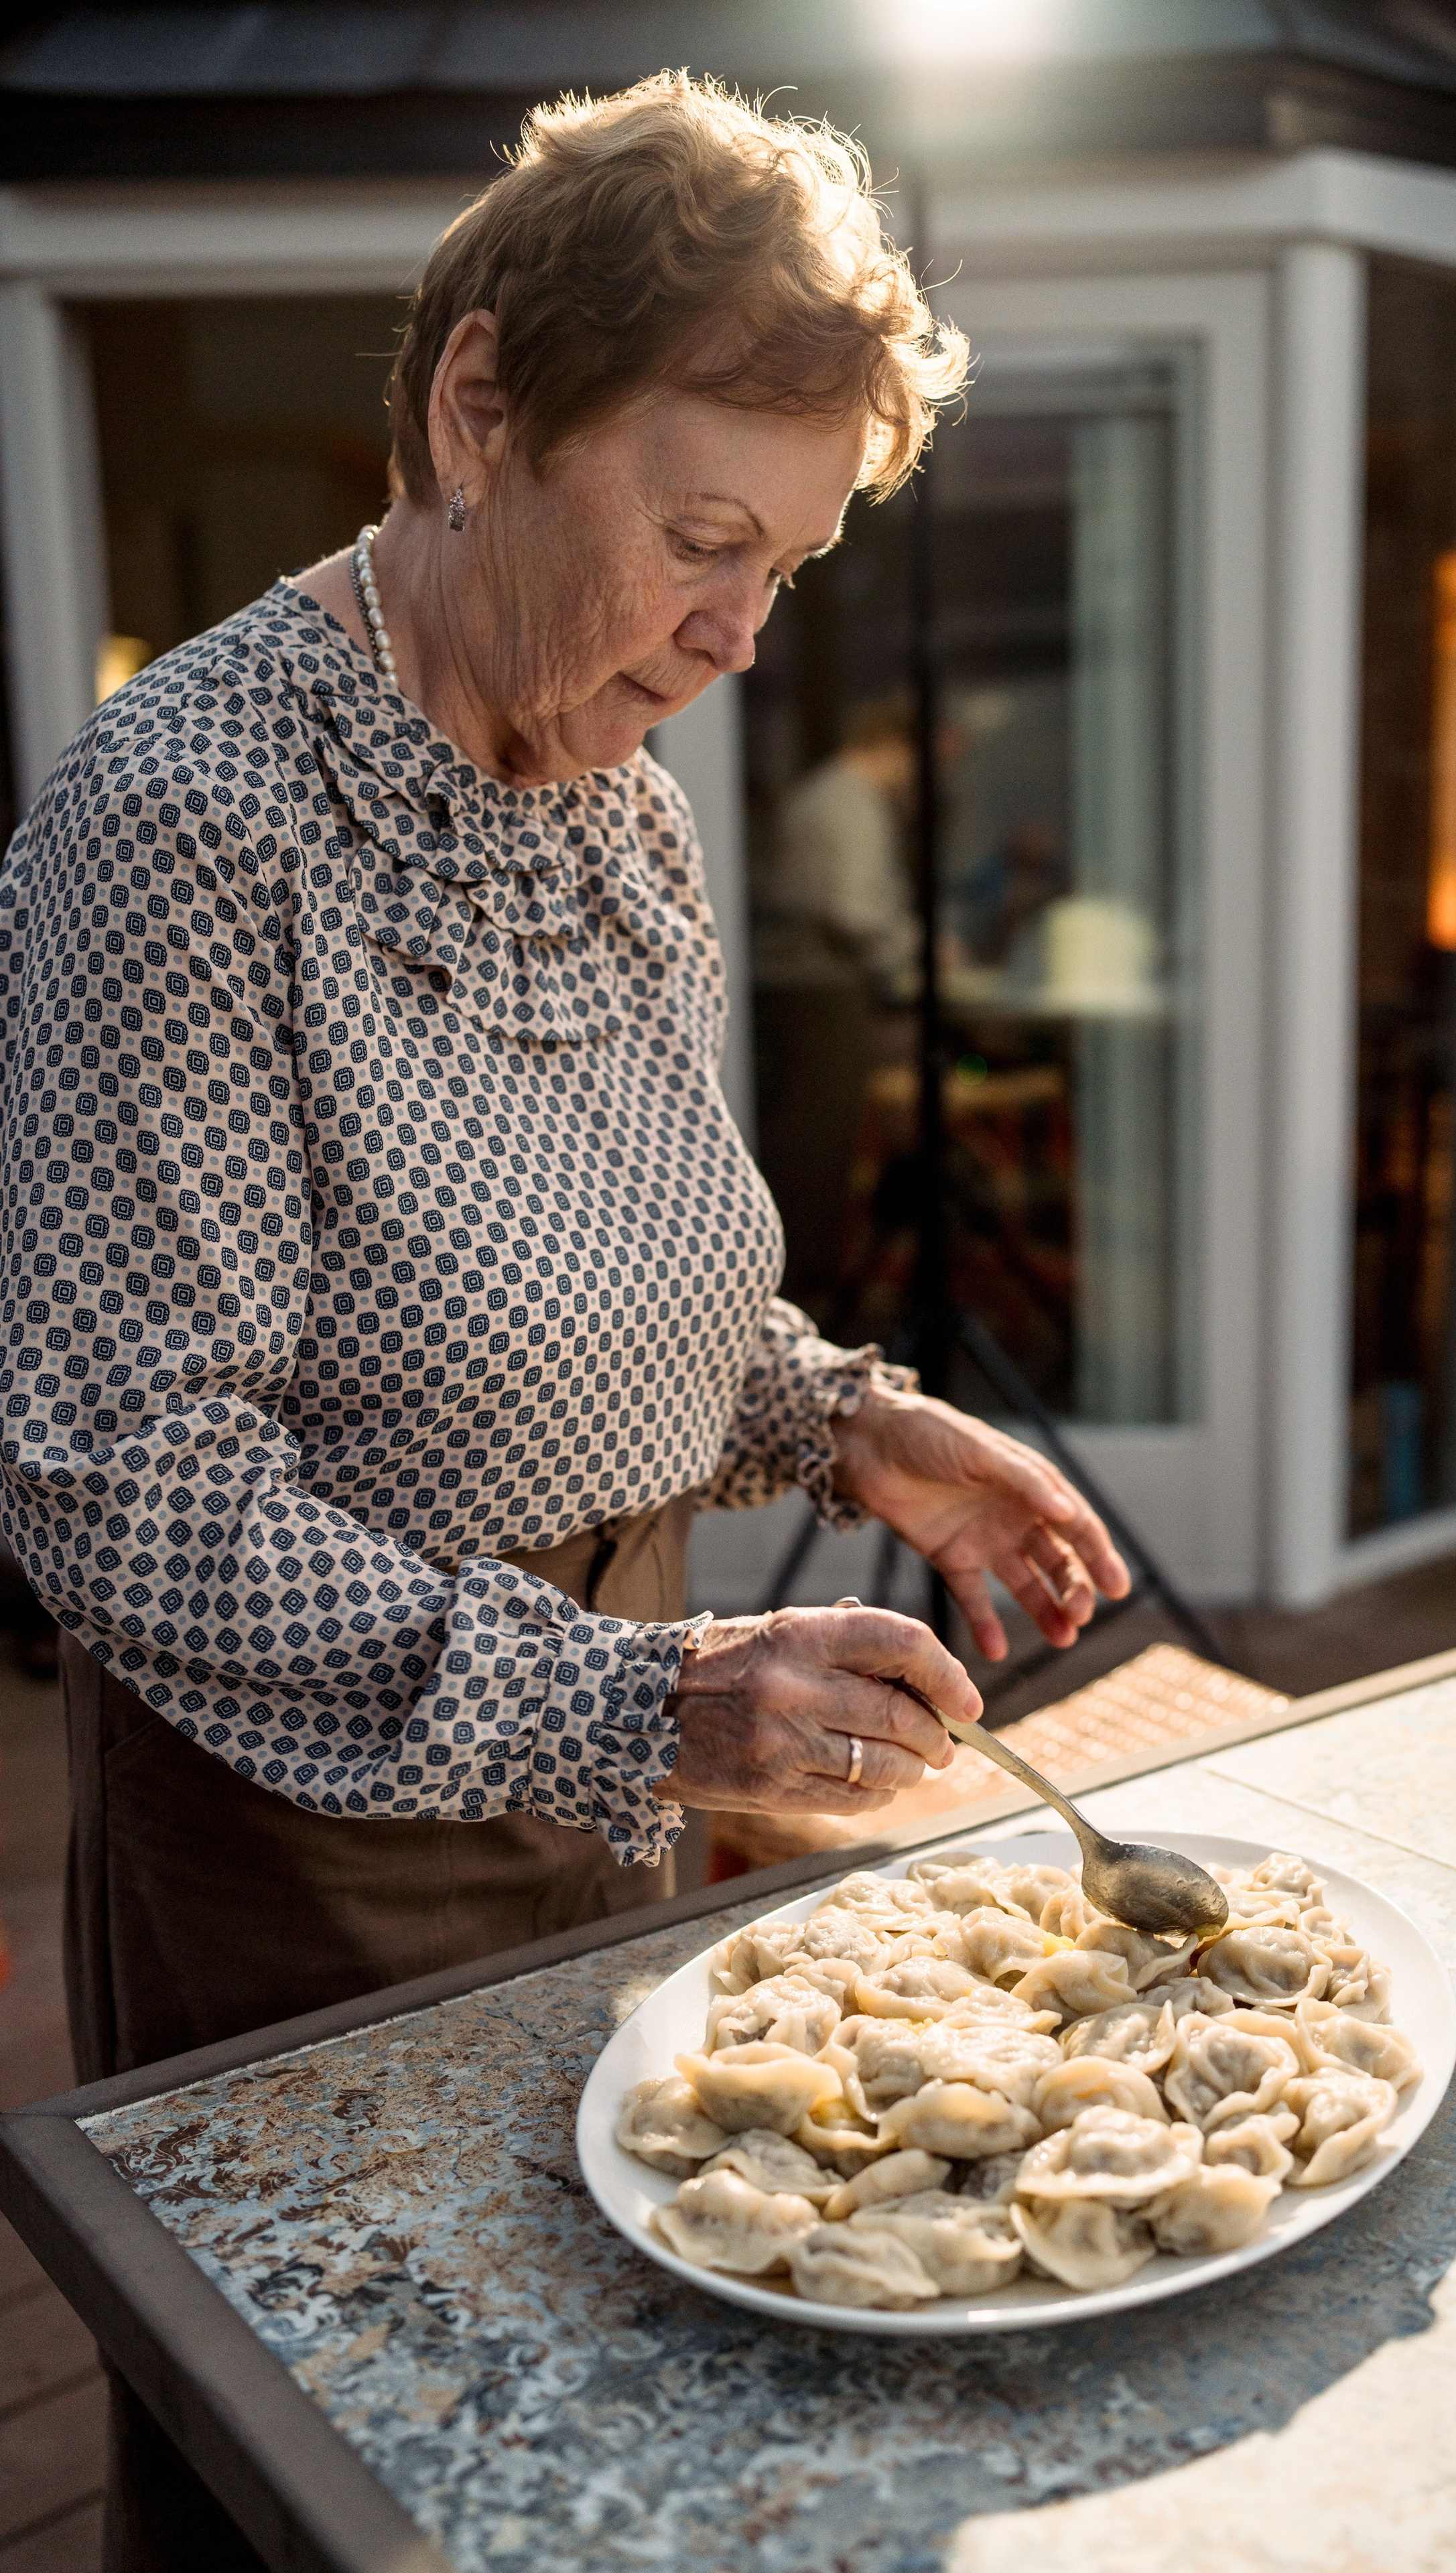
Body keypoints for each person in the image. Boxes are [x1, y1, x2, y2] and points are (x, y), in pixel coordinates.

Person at [0, 75, 1130, 2566]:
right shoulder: (184, 820)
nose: (741, 631)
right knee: (332, 2474)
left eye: (792, 561)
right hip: (312, 1834)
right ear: (477, 407)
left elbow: (620, 1283)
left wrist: (855, 1421)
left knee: (590, 2433)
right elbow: (118, 1488)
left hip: (618, 1768)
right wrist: (644, 1696)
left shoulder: (611, 791)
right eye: (701, 532)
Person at [751, 694, 919, 1313]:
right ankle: (801, 1300)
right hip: (819, 993)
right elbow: (855, 912)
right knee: (814, 1153)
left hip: (806, 989)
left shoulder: (831, 795)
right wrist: (916, 951)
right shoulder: (847, 801)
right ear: (897, 744)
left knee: (809, 1147)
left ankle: (798, 1296)